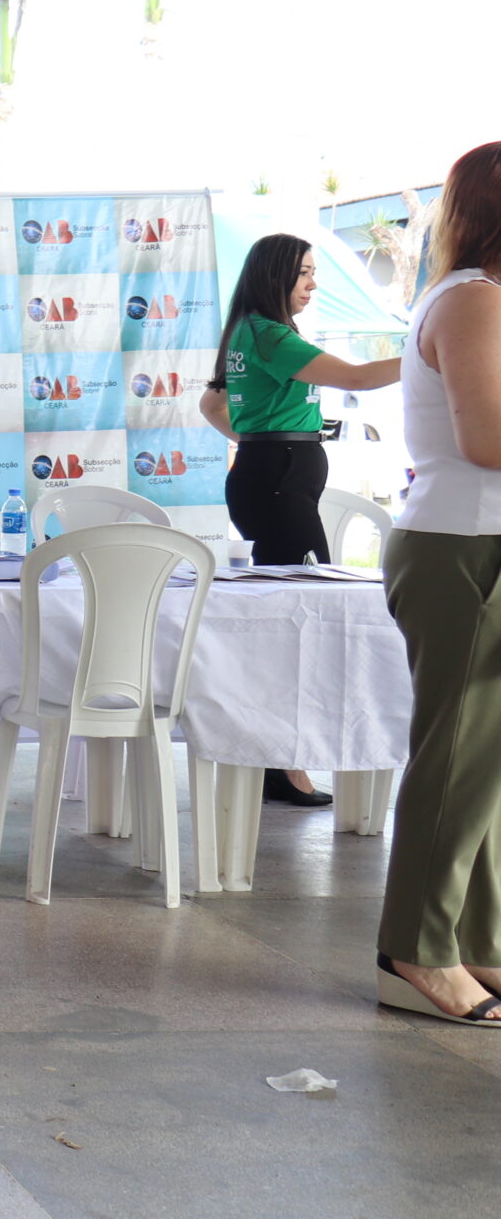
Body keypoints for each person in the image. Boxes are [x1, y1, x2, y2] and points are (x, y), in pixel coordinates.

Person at [199, 233, 402, 806]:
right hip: (280, 481)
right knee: (304, 620)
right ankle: (281, 764)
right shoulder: (270, 334)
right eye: (305, 274)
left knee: (296, 615)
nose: (313, 285)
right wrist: (431, 350)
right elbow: (358, 379)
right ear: (275, 276)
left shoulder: (251, 331)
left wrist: (259, 440)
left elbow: (212, 404)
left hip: (275, 475)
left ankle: (277, 760)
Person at [376, 141, 501, 1025]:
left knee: (485, 762)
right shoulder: (472, 300)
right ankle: (416, 947)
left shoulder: (479, 296)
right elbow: (485, 439)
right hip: (466, 546)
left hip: (472, 540)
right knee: (457, 756)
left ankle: (477, 937)